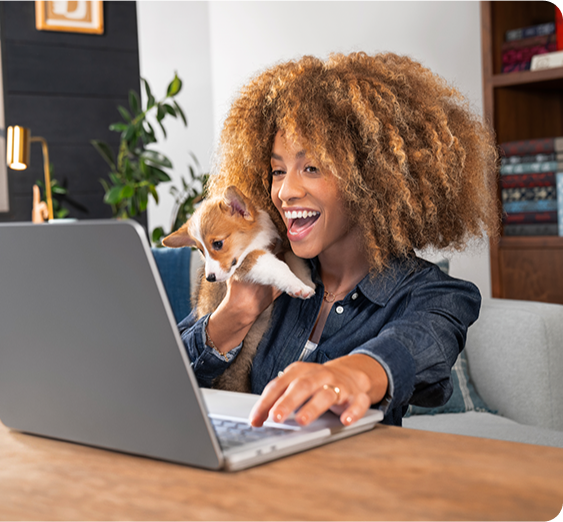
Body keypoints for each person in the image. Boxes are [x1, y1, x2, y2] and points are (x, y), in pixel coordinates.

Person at [178, 52, 500, 427]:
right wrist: (234, 315)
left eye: (311, 167)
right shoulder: (264, 269)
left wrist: (353, 374)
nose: (284, 191)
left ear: (372, 178)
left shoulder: (433, 294)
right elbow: (165, 380)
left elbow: (418, 344)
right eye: (277, 170)